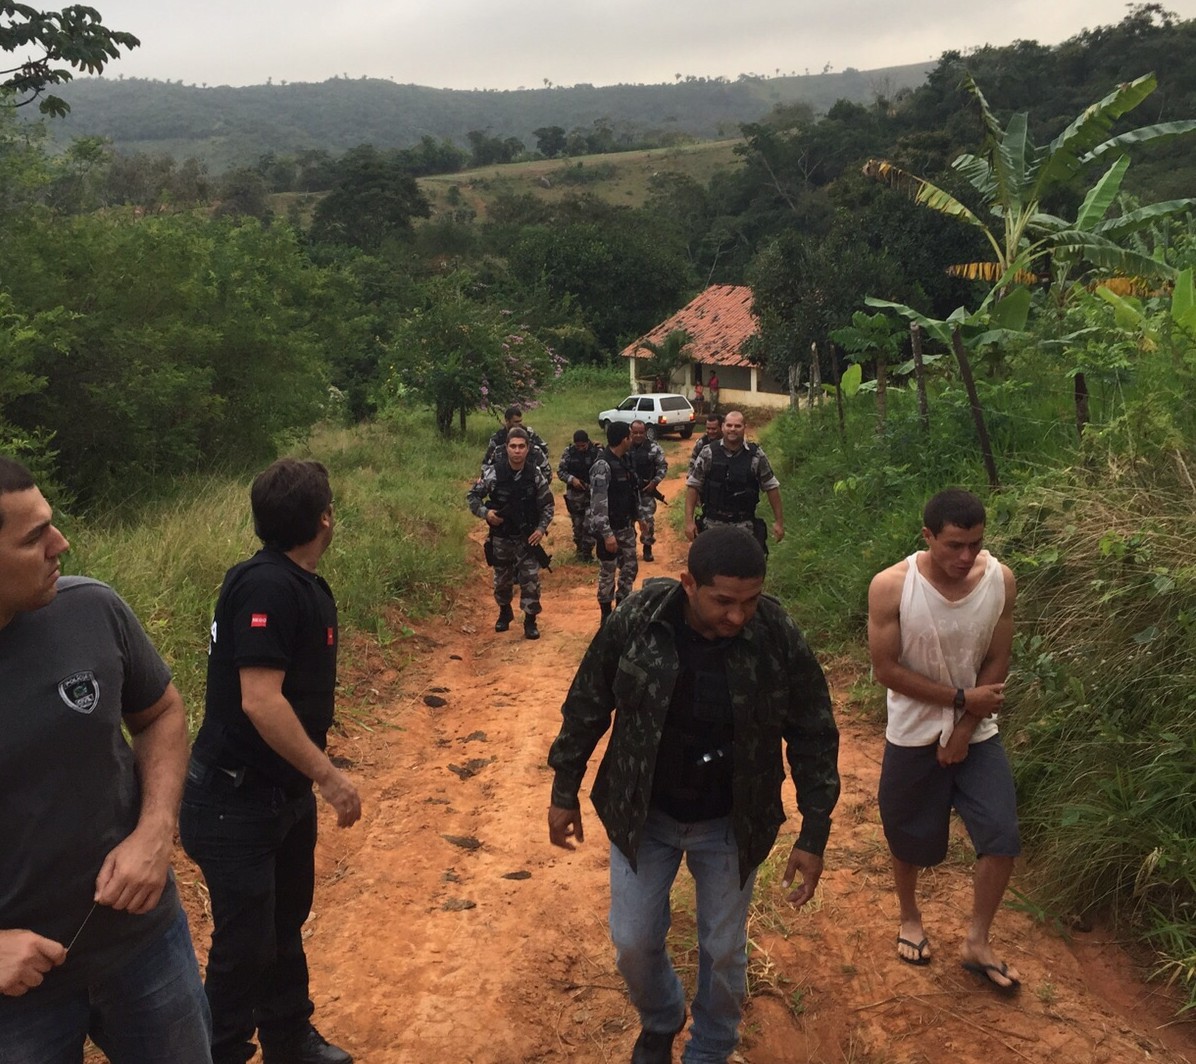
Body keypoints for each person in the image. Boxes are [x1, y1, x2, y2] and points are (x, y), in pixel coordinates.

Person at [547, 525, 840, 1064]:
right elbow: (588, 700)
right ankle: (660, 1017)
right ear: (689, 584)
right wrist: (564, 788)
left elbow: (814, 732)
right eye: (723, 602)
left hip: (732, 820)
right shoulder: (639, 619)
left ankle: (712, 1044)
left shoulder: (775, 634)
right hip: (644, 814)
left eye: (749, 601)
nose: (737, 617)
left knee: (723, 950)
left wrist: (813, 832)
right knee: (633, 942)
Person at [0, 457, 211, 1062]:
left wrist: (154, 832)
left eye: (52, 524)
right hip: (19, 1001)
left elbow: (161, 712)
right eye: (34, 536)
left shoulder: (90, 609)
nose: (60, 544)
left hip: (144, 946)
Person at [181, 458, 361, 1064]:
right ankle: (219, 1051)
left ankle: (289, 1039)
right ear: (324, 519)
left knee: (283, 925)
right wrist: (330, 778)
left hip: (276, 797)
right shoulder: (266, 586)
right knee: (245, 946)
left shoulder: (294, 581)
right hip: (233, 802)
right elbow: (260, 701)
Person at [867, 488, 1021, 992]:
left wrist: (964, 727)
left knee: (1001, 836)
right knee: (908, 836)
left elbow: (997, 662)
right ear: (927, 536)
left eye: (975, 544)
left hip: (977, 734)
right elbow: (886, 669)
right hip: (911, 733)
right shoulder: (892, 587)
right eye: (953, 545)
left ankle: (978, 941)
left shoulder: (999, 581)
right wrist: (960, 699)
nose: (966, 557)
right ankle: (909, 917)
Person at [469, 427, 554, 640]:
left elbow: (548, 506)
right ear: (506, 448)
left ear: (528, 449)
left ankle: (530, 620)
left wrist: (540, 529)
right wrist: (486, 513)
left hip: (527, 539)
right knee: (502, 579)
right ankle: (504, 612)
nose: (517, 451)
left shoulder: (534, 475)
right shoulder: (494, 473)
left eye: (521, 447)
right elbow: (472, 497)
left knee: (531, 579)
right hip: (502, 537)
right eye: (513, 446)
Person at [685, 410, 784, 550]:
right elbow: (693, 486)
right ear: (723, 427)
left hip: (744, 527)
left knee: (743, 570)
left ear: (744, 427)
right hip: (712, 526)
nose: (732, 429)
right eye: (729, 425)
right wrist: (689, 522)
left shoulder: (756, 455)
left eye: (737, 426)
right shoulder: (708, 453)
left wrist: (779, 522)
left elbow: (771, 487)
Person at [588, 422, 639, 626]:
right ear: (623, 439)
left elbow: (631, 493)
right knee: (608, 572)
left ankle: (622, 607)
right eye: (629, 436)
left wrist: (640, 518)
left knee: (630, 568)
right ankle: (606, 615)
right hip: (609, 530)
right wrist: (607, 535)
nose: (632, 439)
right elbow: (598, 505)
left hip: (626, 526)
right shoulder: (602, 466)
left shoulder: (624, 460)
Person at [628, 420, 668, 563]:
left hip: (646, 492)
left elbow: (662, 466)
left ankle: (647, 548)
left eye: (641, 432)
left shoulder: (653, 447)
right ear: (630, 431)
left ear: (645, 432)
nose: (638, 435)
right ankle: (630, 550)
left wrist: (654, 482)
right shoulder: (624, 446)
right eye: (635, 432)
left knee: (647, 521)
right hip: (628, 493)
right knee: (628, 522)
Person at [558, 429, 598, 562]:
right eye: (578, 446)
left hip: (592, 494)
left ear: (588, 443)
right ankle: (580, 549)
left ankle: (588, 551)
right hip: (575, 496)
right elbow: (561, 471)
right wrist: (572, 479)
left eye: (583, 446)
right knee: (577, 524)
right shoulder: (568, 453)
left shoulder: (596, 452)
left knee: (590, 524)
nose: (581, 449)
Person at [482, 405, 551, 481]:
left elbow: (544, 450)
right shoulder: (498, 439)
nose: (519, 424)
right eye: (516, 422)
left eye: (520, 421)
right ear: (507, 421)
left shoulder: (529, 433)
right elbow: (487, 463)